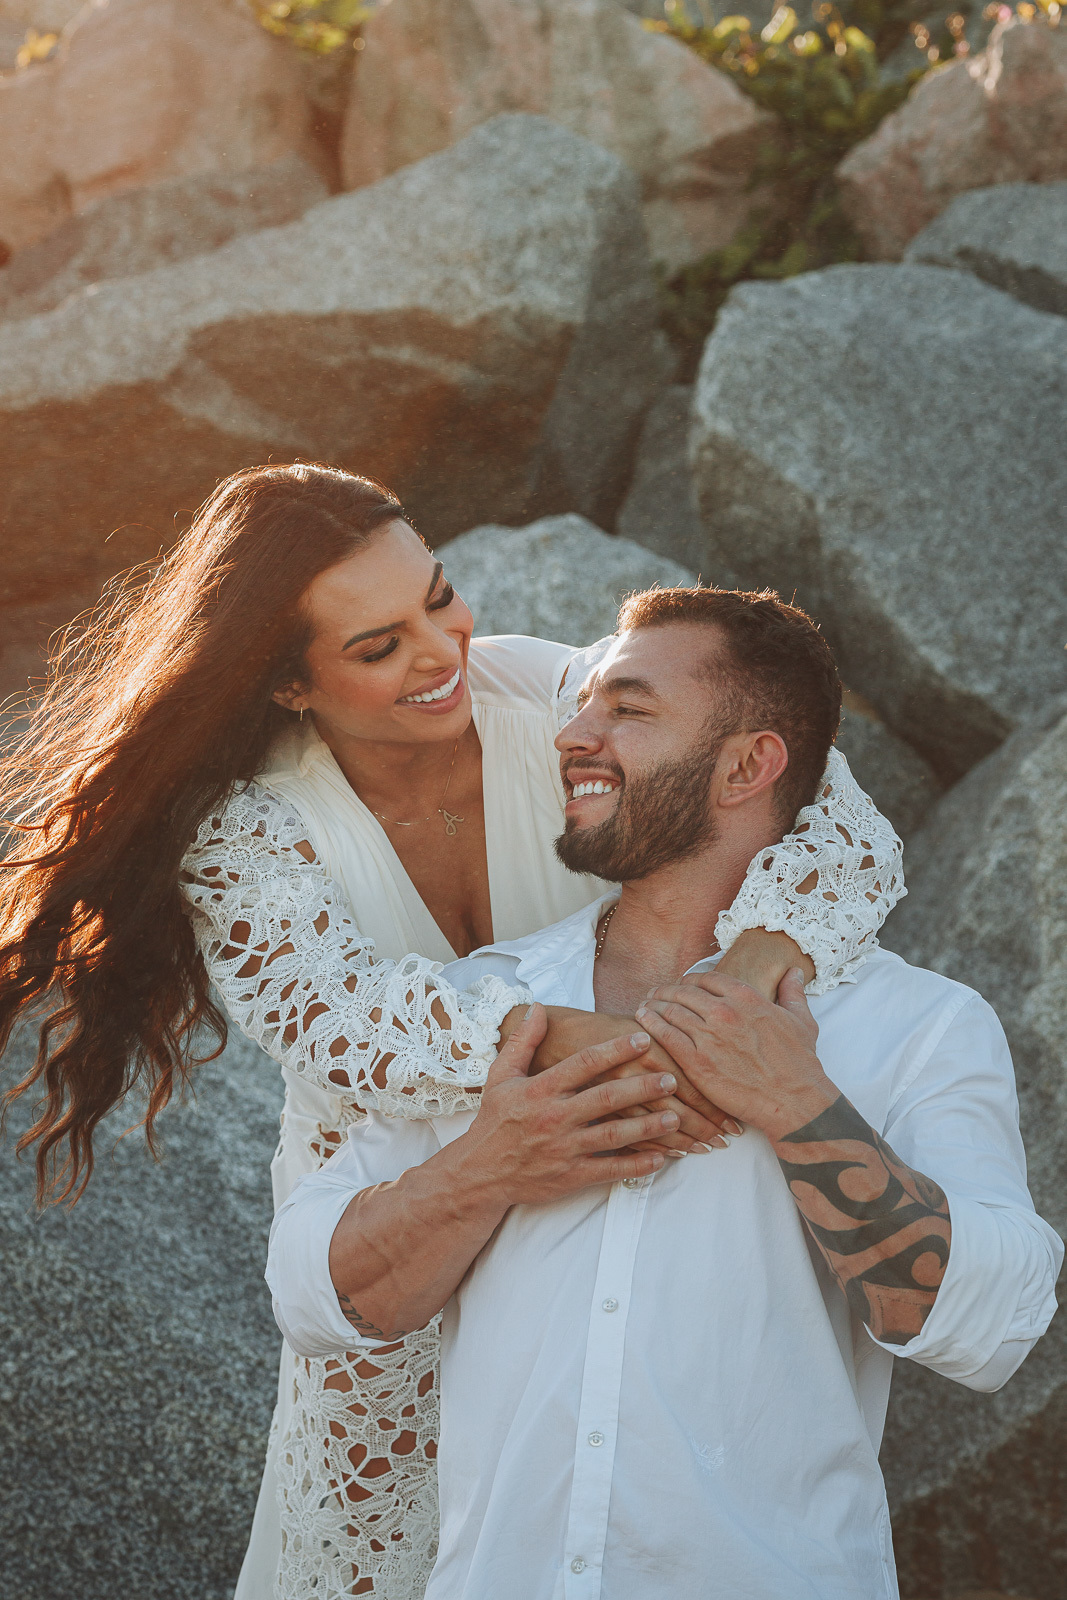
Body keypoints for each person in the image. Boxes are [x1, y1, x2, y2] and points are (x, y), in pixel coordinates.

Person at [0, 465, 904, 1600]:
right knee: (379, 1553)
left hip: (617, 1185)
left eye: (438, 595)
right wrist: (637, 1049)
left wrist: (766, 954)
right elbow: (346, 1020)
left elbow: (822, 799)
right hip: (402, 1214)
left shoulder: (543, 693)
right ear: (287, 684)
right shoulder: (245, 829)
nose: (441, 651)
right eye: (378, 646)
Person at [268, 586, 1062, 1600]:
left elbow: (991, 1319)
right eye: (582, 703)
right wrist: (486, 1168)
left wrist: (798, 1106)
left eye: (626, 710)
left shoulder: (914, 1027)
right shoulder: (477, 1008)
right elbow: (313, 1288)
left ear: (747, 764)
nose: (572, 735)